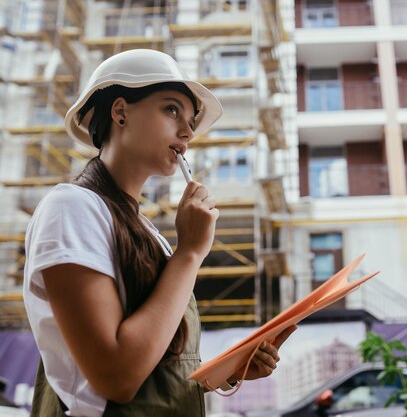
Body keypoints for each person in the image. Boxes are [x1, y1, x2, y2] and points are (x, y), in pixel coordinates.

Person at [22, 49, 296, 417]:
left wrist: (232, 370)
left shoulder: (151, 235)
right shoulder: (70, 208)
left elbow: (155, 373)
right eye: (171, 110)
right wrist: (190, 254)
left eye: (190, 120)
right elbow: (117, 378)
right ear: (120, 112)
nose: (188, 131)